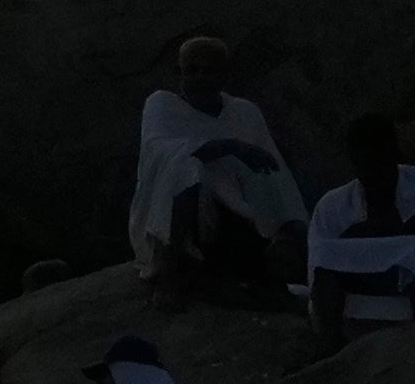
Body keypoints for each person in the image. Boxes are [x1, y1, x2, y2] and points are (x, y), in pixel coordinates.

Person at [128, 37, 305, 293]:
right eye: (192, 70)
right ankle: (171, 271)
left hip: (239, 214)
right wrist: (230, 147)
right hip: (180, 214)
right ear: (180, 73)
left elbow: (271, 171)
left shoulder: (244, 113)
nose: (200, 77)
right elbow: (159, 151)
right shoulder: (162, 105)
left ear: (224, 75)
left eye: (209, 71)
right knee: (185, 166)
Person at [304, 113, 415, 332]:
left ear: (393, 154)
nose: (372, 172)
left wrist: (370, 247)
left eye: (379, 161)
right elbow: (319, 262)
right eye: (363, 164)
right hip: (354, 299)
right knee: (325, 272)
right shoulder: (331, 207)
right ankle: (332, 354)